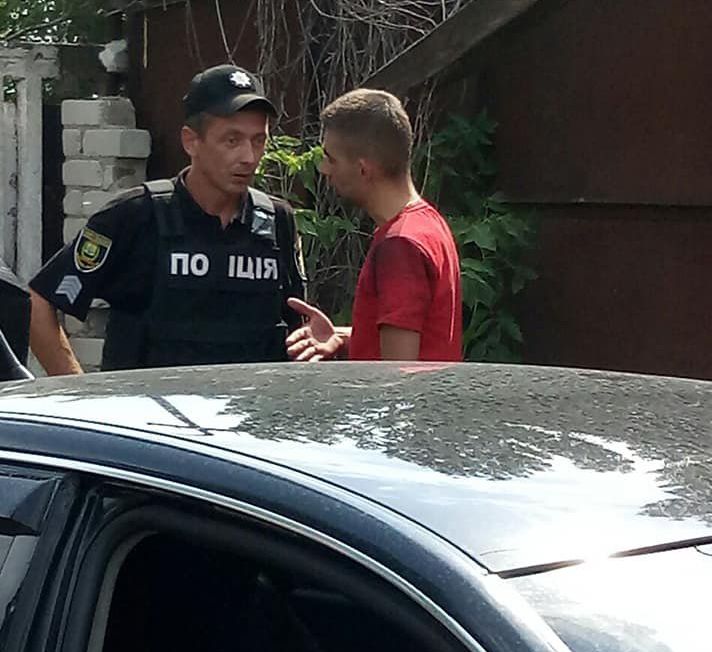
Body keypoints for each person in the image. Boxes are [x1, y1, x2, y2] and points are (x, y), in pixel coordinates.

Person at [29, 64, 306, 375]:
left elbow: (299, 326)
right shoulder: (135, 215)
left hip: (249, 404)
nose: (248, 157)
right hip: (149, 406)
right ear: (191, 141)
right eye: (232, 140)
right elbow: (39, 302)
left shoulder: (276, 221)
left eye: (258, 141)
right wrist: (79, 390)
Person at [286, 89, 462, 362]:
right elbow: (415, 337)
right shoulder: (427, 224)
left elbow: (398, 373)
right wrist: (342, 337)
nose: (323, 168)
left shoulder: (400, 245)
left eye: (331, 158)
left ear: (363, 169)